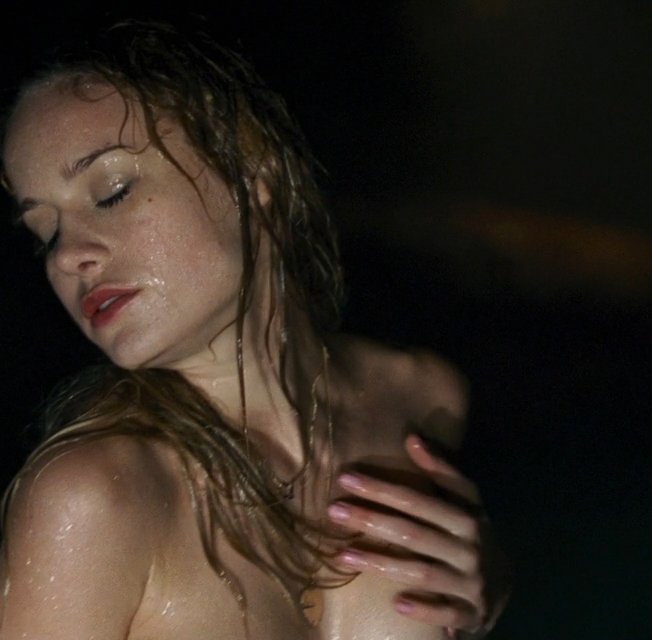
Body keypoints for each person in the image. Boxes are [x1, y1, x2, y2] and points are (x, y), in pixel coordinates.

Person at [0, 19, 509, 640]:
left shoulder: (421, 398)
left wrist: (487, 595)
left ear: (250, 171)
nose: (66, 256)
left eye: (112, 192)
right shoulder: (94, 499)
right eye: (44, 232)